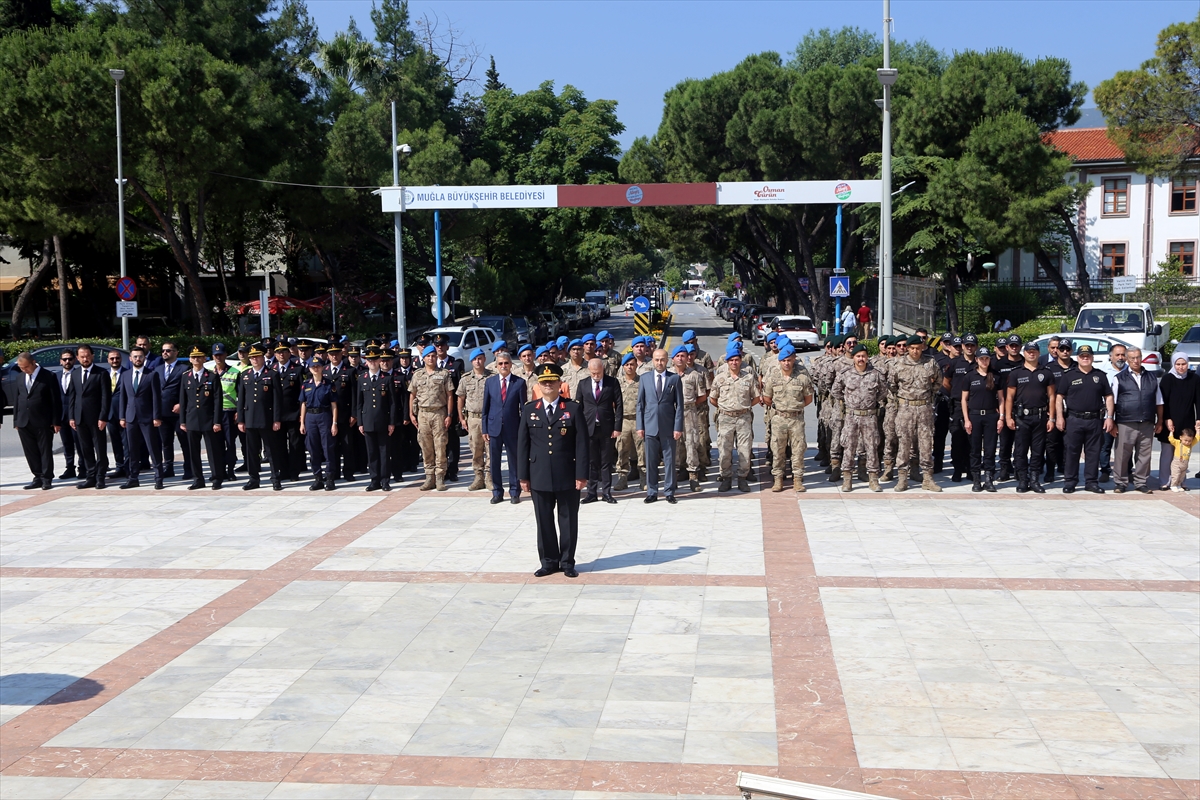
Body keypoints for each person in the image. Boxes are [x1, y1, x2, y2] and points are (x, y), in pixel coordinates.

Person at [518, 363, 589, 578]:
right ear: (538, 385)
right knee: (544, 521)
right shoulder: (530, 409)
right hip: (538, 474)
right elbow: (523, 445)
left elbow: (582, 444)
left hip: (567, 474)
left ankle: (567, 562)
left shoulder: (573, 408)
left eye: (552, 381)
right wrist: (523, 476)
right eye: (544, 382)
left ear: (560, 384)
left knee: (568, 520)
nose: (548, 385)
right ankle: (548, 562)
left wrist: (581, 474)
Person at [1056, 344, 1114, 494]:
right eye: (1082, 356)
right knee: (1072, 452)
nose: (1085, 358)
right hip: (1074, 419)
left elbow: (1108, 396)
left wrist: (1109, 417)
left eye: (1088, 356)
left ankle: (1091, 482)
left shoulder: (1100, 376)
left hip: (1095, 420)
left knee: (1093, 453)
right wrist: (1060, 417)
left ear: (1092, 357)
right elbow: (1059, 397)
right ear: (1078, 358)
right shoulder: (1069, 375)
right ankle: (1070, 482)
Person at [889, 335, 943, 492]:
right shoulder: (898, 364)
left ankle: (927, 478)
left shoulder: (930, 362)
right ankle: (902, 478)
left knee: (926, 443)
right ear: (907, 348)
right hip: (906, 409)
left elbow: (938, 381)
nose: (915, 351)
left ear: (922, 348)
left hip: (924, 408)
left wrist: (928, 396)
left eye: (918, 348)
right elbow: (892, 385)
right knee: (904, 443)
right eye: (912, 348)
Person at [832, 344, 889, 492]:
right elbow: (836, 391)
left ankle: (873, 479)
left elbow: (883, 391)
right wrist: (849, 402)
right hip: (852, 416)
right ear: (854, 358)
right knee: (849, 447)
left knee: (872, 447)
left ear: (867, 357)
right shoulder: (845, 373)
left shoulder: (876, 374)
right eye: (858, 356)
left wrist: (871, 402)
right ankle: (847, 479)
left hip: (869, 416)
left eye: (863, 356)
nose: (861, 359)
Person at [1005, 342, 1056, 494]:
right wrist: (1008, 417)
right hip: (1022, 417)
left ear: (1039, 353)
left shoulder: (1046, 372)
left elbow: (1052, 397)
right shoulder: (1016, 373)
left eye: (1034, 351)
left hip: (1040, 416)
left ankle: (1034, 480)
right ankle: (1023, 480)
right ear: (1024, 353)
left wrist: (1051, 418)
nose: (1031, 354)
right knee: (1021, 450)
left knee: (1038, 451)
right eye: (1028, 351)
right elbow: (1009, 397)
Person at [1110, 347, 1162, 494]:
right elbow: (1112, 402)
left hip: (1147, 422)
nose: (1135, 361)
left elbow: (1159, 402)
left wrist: (1159, 421)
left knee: (1144, 455)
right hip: (1125, 422)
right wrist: (1111, 421)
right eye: (1132, 358)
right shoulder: (1119, 378)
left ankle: (1141, 482)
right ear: (1127, 359)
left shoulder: (1152, 378)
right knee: (1122, 454)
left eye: (1138, 357)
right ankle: (1120, 483)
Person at [636, 347, 685, 504]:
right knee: (651, 461)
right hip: (649, 426)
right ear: (652, 361)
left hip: (668, 426)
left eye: (662, 360)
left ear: (667, 361)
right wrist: (640, 426)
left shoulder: (674, 379)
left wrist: (678, 427)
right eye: (656, 360)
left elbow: (680, 405)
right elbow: (640, 404)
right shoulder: (644, 378)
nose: (659, 362)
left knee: (669, 461)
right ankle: (652, 492)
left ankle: (669, 491)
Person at [762, 343, 813, 492]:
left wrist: (794, 407)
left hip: (796, 419)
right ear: (779, 361)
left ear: (794, 359)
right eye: (783, 360)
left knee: (798, 450)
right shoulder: (773, 377)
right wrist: (781, 409)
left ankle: (797, 479)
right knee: (778, 450)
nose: (786, 363)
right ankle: (778, 479)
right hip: (779, 418)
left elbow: (808, 399)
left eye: (789, 360)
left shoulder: (802, 377)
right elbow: (767, 398)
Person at [710, 348, 759, 492]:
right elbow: (713, 399)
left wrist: (744, 407)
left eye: (737, 360)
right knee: (724, 450)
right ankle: (726, 478)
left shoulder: (748, 378)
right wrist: (725, 408)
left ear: (741, 361)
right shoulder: (720, 378)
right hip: (725, 418)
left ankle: (742, 478)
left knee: (745, 450)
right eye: (731, 360)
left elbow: (756, 397)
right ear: (727, 362)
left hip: (743, 418)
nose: (734, 362)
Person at [236, 344, 284, 491]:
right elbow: (241, 399)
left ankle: (275, 478)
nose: (254, 359)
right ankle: (253, 479)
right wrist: (241, 420)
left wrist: (276, 419)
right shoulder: (246, 374)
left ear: (263, 357)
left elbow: (277, 399)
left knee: (271, 450)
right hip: (250, 418)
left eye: (257, 356)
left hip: (266, 418)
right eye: (252, 357)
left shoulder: (272, 374)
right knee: (252, 451)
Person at [482, 351, 527, 504]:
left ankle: (514, 492)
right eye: (500, 363)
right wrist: (485, 429)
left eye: (506, 363)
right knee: (494, 462)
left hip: (512, 428)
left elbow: (523, 409)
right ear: (496, 365)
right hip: (494, 428)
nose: (503, 366)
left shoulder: (519, 383)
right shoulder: (490, 382)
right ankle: (497, 492)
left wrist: (523, 429)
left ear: (511, 364)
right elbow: (485, 408)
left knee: (513, 461)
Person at [12, 351, 62, 490]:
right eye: (21, 368)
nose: (24, 370)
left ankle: (46, 478)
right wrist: (16, 420)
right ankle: (37, 476)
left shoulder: (48, 376)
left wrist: (56, 421)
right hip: (24, 421)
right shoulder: (20, 377)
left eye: (26, 367)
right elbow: (17, 399)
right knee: (30, 451)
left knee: (45, 450)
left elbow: (55, 400)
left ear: (33, 363)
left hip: (43, 420)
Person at [179, 345, 224, 490]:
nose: (196, 359)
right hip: (191, 419)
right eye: (193, 357)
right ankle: (198, 479)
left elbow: (218, 401)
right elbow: (183, 401)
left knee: (213, 451)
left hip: (208, 419)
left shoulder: (212, 376)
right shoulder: (186, 377)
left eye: (199, 357)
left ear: (204, 359)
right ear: (190, 360)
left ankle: (216, 478)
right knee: (193, 452)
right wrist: (182, 421)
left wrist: (217, 421)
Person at [119, 345, 164, 490]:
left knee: (153, 448)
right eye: (135, 356)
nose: (138, 359)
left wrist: (156, 416)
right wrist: (122, 417)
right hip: (130, 417)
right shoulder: (125, 375)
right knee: (132, 449)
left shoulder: (151, 374)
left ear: (144, 358)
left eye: (140, 356)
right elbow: (123, 397)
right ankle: (133, 478)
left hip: (147, 417)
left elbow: (156, 397)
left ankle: (158, 477)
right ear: (130, 359)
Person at [411, 344, 455, 491]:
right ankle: (429, 477)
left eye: (433, 356)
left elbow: (450, 395)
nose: (431, 358)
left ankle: (440, 477)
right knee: (426, 446)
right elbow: (412, 394)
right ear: (423, 358)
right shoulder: (417, 375)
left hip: (439, 413)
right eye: (428, 356)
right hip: (423, 414)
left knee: (440, 446)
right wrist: (411, 414)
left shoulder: (444, 374)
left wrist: (449, 415)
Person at [578, 356, 622, 503]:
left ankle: (606, 492)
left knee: (606, 461)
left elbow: (619, 405)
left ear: (603, 369)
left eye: (598, 373)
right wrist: (579, 429)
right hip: (589, 428)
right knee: (591, 462)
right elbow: (579, 407)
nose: (596, 376)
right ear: (589, 371)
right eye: (593, 373)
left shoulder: (612, 382)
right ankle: (591, 492)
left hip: (607, 428)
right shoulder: (583, 384)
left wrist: (617, 427)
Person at [962, 346, 1004, 492]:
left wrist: (1001, 418)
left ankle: (988, 479)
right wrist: (966, 419)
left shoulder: (996, 376)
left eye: (986, 359)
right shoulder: (970, 376)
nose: (984, 361)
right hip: (974, 416)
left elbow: (1001, 399)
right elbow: (964, 399)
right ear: (976, 360)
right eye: (981, 359)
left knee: (990, 449)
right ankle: (976, 480)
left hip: (991, 416)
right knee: (974, 449)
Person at [69, 344, 111, 489]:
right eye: (82, 357)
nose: (85, 359)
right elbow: (72, 396)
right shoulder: (75, 374)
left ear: (92, 356)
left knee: (100, 449)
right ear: (77, 358)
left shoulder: (101, 373)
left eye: (87, 356)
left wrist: (103, 417)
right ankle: (91, 476)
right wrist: (71, 417)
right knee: (85, 449)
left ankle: (100, 477)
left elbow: (106, 397)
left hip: (96, 418)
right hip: (80, 418)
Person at [1157, 354, 1200, 490]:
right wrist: (1166, 418)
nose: (1181, 367)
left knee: (1184, 453)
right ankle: (1165, 481)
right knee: (1167, 453)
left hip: (1187, 421)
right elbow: (1162, 401)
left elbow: (1198, 400)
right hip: (1170, 421)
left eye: (1183, 364)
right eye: (1178, 364)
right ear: (1173, 364)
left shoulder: (1194, 379)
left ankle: (1181, 481)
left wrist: (1198, 418)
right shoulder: (1167, 379)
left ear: (1188, 364)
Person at [357, 346, 395, 492]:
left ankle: (385, 480)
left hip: (383, 421)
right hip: (367, 421)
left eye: (375, 359)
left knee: (384, 452)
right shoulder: (362, 379)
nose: (372, 362)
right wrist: (360, 422)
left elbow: (392, 403)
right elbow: (359, 403)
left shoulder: (387, 378)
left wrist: (391, 422)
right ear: (366, 361)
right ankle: (374, 480)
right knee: (371, 452)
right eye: (370, 360)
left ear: (380, 360)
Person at [300, 357, 339, 491]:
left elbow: (334, 405)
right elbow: (303, 404)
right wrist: (302, 423)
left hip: (324, 416)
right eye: (313, 367)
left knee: (327, 447)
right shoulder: (306, 384)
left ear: (322, 367)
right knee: (313, 448)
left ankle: (330, 479)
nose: (316, 369)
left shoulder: (328, 384)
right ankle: (317, 478)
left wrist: (334, 423)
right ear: (310, 369)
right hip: (310, 417)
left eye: (318, 366)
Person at [457, 348, 493, 492]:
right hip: (473, 419)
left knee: (490, 449)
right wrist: (461, 418)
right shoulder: (465, 379)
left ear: (484, 359)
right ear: (471, 361)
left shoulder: (492, 377)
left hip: (489, 418)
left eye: (480, 358)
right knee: (476, 449)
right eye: (474, 359)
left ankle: (489, 477)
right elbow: (460, 399)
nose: (477, 362)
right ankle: (478, 477)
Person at [272, 342, 305, 482]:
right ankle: (283, 471)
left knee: (295, 444)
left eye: (284, 351)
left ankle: (294, 472)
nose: (281, 354)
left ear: (289, 353)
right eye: (278, 352)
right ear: (275, 354)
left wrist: (301, 414)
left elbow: (302, 394)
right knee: (279, 445)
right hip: (277, 415)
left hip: (293, 413)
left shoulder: (298, 369)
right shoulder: (271, 370)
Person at [154, 341, 187, 481]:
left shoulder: (184, 368)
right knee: (166, 442)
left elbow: (187, 389)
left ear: (176, 352)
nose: (165, 353)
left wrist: (181, 404)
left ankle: (189, 468)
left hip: (179, 412)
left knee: (184, 441)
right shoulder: (158, 369)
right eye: (163, 351)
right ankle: (169, 468)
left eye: (168, 350)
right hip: (163, 411)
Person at [434, 335, 463, 482]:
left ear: (447, 346)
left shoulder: (455, 365)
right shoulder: (431, 365)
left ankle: (452, 470)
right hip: (436, 409)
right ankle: (441, 469)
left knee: (452, 440)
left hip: (451, 408)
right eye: (437, 345)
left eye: (442, 344)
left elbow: (460, 390)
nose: (440, 347)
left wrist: (458, 412)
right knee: (439, 441)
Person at [210, 344, 241, 481]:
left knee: (230, 443)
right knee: (216, 444)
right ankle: (219, 471)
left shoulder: (235, 372)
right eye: (216, 355)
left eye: (221, 354)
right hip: (213, 413)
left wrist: (239, 411)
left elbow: (240, 394)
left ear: (226, 355)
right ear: (212, 356)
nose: (218, 357)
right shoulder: (209, 373)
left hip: (229, 412)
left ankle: (230, 470)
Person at [614, 353, 643, 490]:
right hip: (623, 420)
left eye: (632, 364)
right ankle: (622, 478)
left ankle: (644, 478)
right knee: (622, 450)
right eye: (627, 365)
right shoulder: (617, 382)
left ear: (636, 365)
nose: (630, 367)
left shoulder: (642, 381)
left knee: (642, 451)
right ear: (623, 367)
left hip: (638, 420)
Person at [1100, 343, 1128, 483]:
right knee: (1105, 446)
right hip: (1107, 416)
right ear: (1111, 357)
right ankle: (1105, 471)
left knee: (1126, 446)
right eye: (1117, 355)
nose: (1120, 357)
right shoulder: (1102, 372)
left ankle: (1127, 471)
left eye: (1123, 355)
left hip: (1126, 416)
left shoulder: (1131, 370)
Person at [104, 349, 129, 481]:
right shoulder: (104, 374)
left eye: (117, 358)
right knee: (115, 442)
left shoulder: (127, 373)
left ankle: (129, 467)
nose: (115, 360)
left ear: (121, 359)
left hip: (125, 414)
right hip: (109, 414)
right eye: (112, 358)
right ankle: (120, 467)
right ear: (108, 360)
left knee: (127, 442)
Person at [55, 349, 79, 480]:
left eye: (70, 359)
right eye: (64, 359)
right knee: (67, 443)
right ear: (60, 361)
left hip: (76, 415)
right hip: (62, 415)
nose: (67, 361)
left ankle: (83, 467)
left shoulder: (78, 374)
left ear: (74, 360)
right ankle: (70, 468)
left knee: (80, 443)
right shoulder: (56, 376)